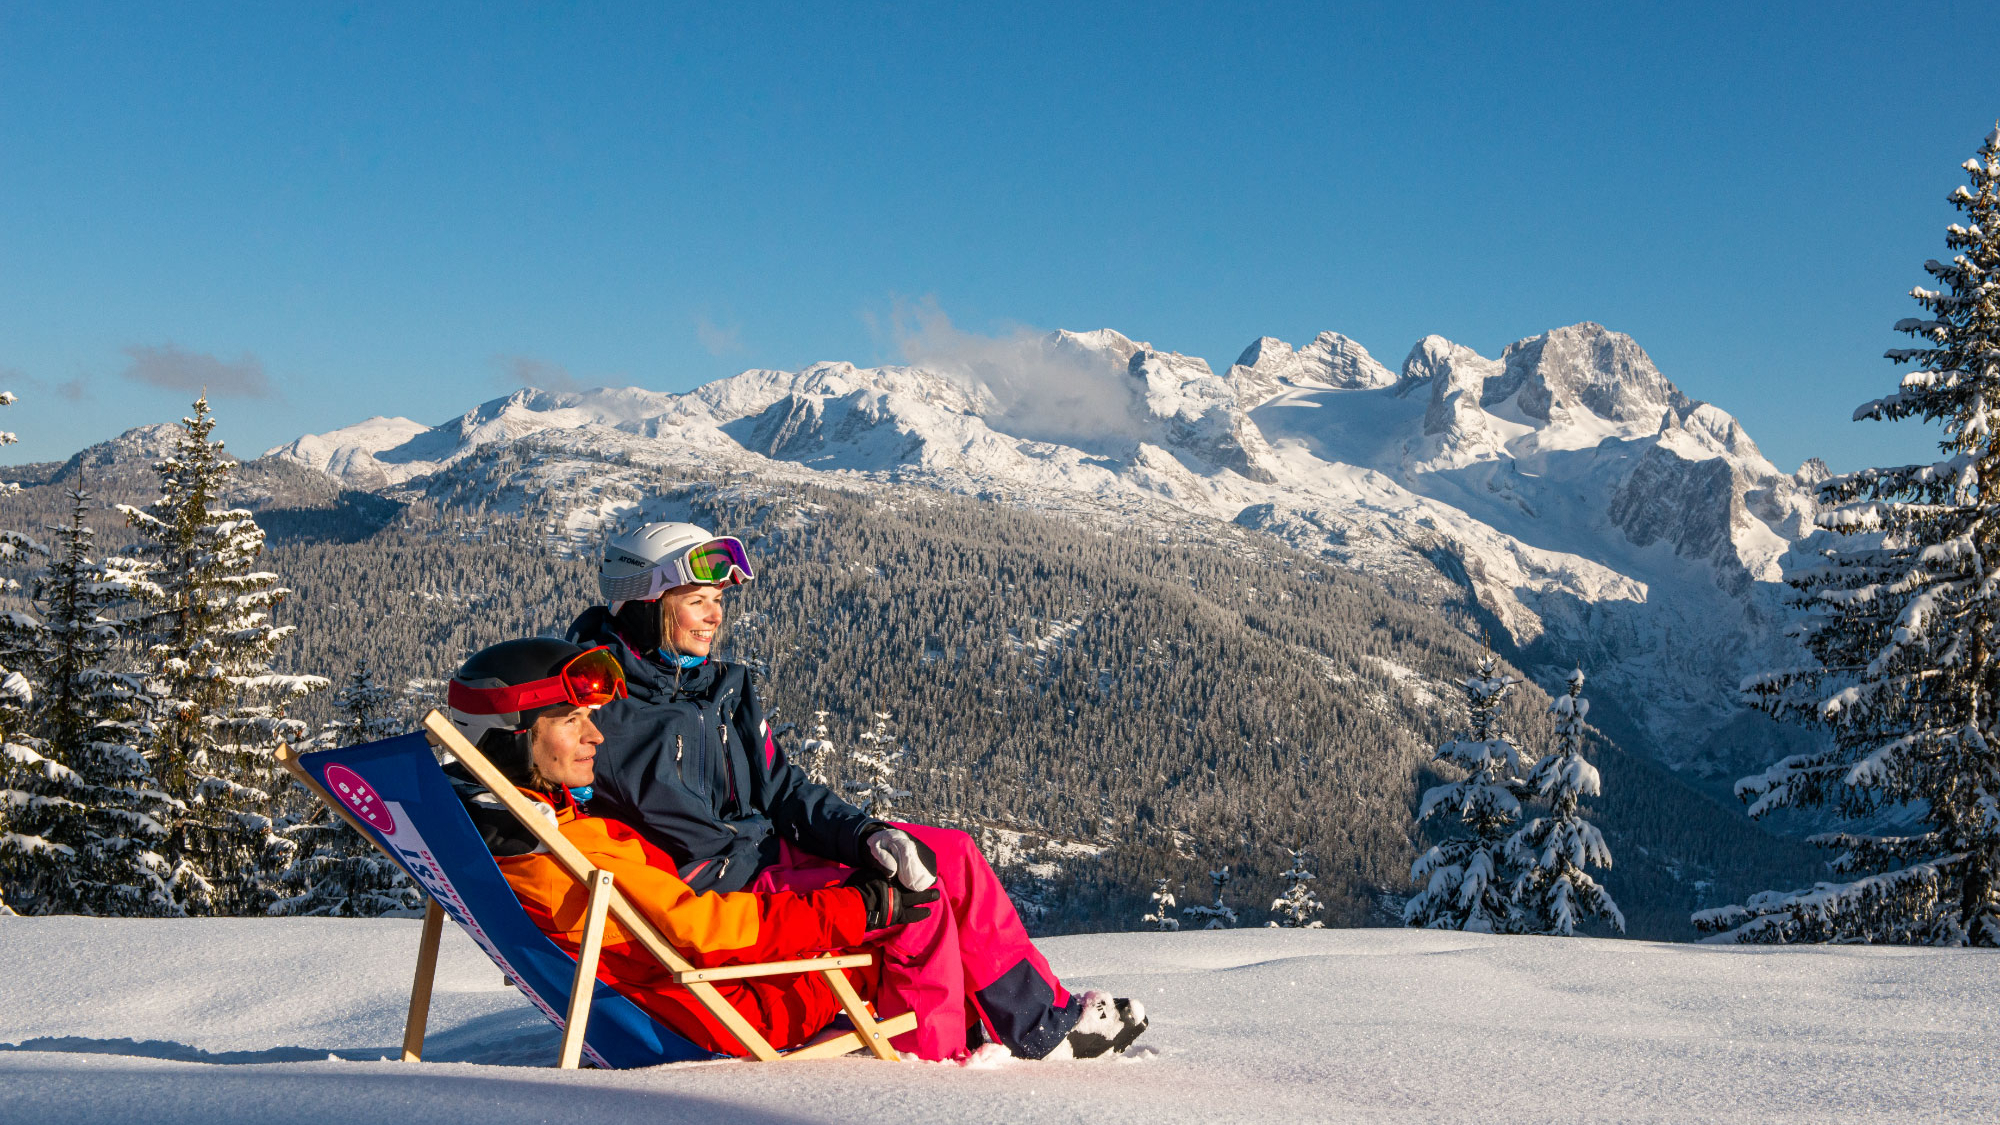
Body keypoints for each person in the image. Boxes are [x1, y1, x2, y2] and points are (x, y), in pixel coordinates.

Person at [564, 522, 1147, 1061]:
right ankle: (936, 1059)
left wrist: (865, 833)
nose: (715, 615)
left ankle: (1039, 1022)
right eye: (697, 601)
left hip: (768, 852)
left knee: (952, 856)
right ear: (642, 604)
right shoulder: (599, 710)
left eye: (719, 600)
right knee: (916, 899)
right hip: (725, 880)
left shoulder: (719, 687)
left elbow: (783, 788)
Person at [444, 637, 940, 1057]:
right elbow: (704, 931)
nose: (596, 734)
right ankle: (941, 1064)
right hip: (730, 1011)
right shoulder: (559, 857)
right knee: (923, 914)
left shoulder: (486, 831)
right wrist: (861, 908)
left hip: (677, 991)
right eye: (571, 720)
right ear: (509, 736)